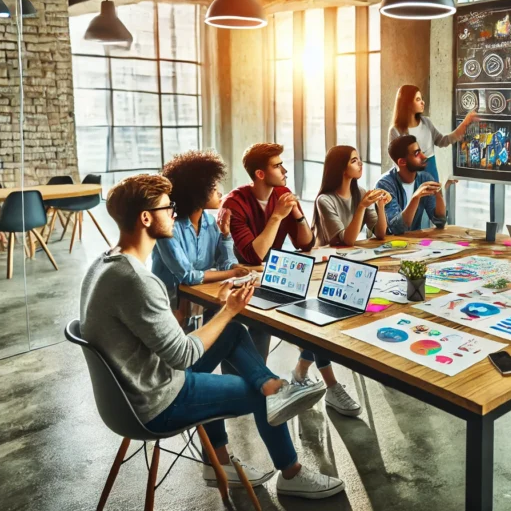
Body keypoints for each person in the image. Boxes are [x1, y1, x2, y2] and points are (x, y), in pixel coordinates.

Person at [80, 174, 345, 499]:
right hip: (156, 401)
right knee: (261, 392)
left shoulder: (104, 264)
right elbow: (184, 356)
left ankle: (259, 396)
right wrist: (229, 309)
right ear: (146, 218)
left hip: (131, 387)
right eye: (168, 207)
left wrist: (225, 314)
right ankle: (291, 472)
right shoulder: (136, 281)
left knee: (232, 333)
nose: (173, 213)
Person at [223, 143, 362, 417]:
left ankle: (315, 382)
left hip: (275, 277)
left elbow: (305, 244)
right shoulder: (234, 203)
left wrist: (297, 214)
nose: (284, 170)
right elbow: (253, 254)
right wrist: (276, 216)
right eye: (277, 165)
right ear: (260, 174)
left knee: (314, 315)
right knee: (260, 333)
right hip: (242, 282)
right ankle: (259, 390)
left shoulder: (284, 194)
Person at [152, 150, 249, 321]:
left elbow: (224, 264)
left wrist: (226, 236)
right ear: (196, 193)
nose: (219, 193)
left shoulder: (210, 222)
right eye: (213, 188)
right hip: (167, 307)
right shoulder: (168, 228)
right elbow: (188, 276)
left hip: (198, 303)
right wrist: (233, 274)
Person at [388, 84, 476, 181]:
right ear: (407, 103)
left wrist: (465, 123)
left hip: (431, 172)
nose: (423, 102)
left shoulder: (426, 122)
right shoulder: (395, 131)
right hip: (410, 177)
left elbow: (443, 141)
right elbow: (398, 163)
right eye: (418, 99)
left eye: (422, 99)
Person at [312, 145, 392, 247]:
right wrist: (362, 206)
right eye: (354, 161)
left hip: (347, 254)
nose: (360, 163)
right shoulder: (324, 200)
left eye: (359, 159)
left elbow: (380, 234)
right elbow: (347, 241)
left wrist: (381, 205)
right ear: (341, 168)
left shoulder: (361, 193)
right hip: (325, 258)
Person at [376, 134, 447, 235]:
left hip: (416, 244)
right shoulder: (385, 184)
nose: (424, 156)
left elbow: (440, 222)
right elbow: (396, 229)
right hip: (391, 245)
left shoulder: (425, 178)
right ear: (402, 162)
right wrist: (416, 197)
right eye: (416, 153)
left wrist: (438, 194)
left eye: (421, 151)